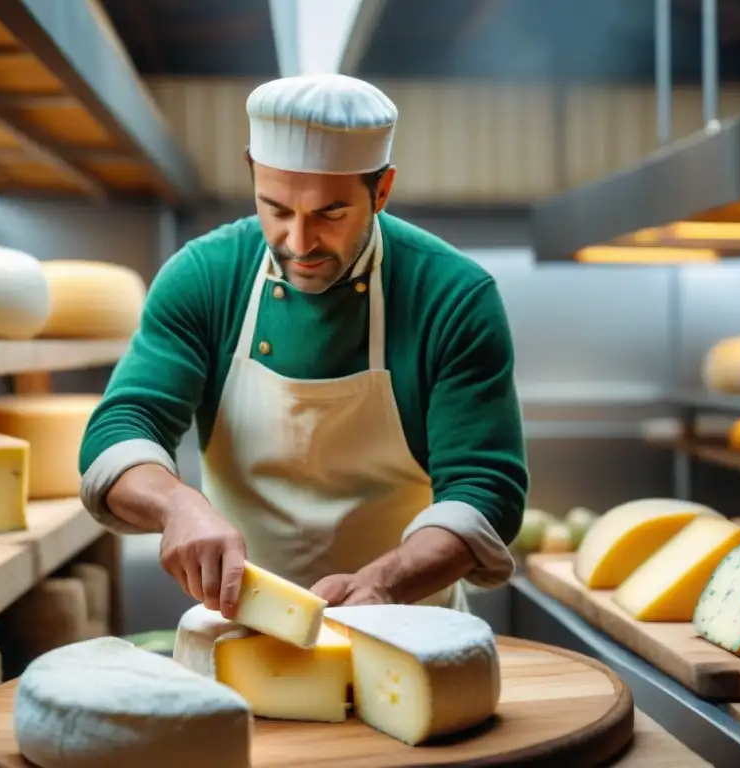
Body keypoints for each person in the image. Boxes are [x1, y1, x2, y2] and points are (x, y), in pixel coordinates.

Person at [78, 73, 528, 618]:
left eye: (330, 214)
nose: (299, 242)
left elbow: (485, 487)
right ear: (252, 174)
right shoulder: (204, 276)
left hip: (409, 627)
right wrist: (177, 505)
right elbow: (121, 427)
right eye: (276, 209)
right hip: (243, 630)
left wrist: (387, 584)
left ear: (381, 191)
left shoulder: (452, 296)